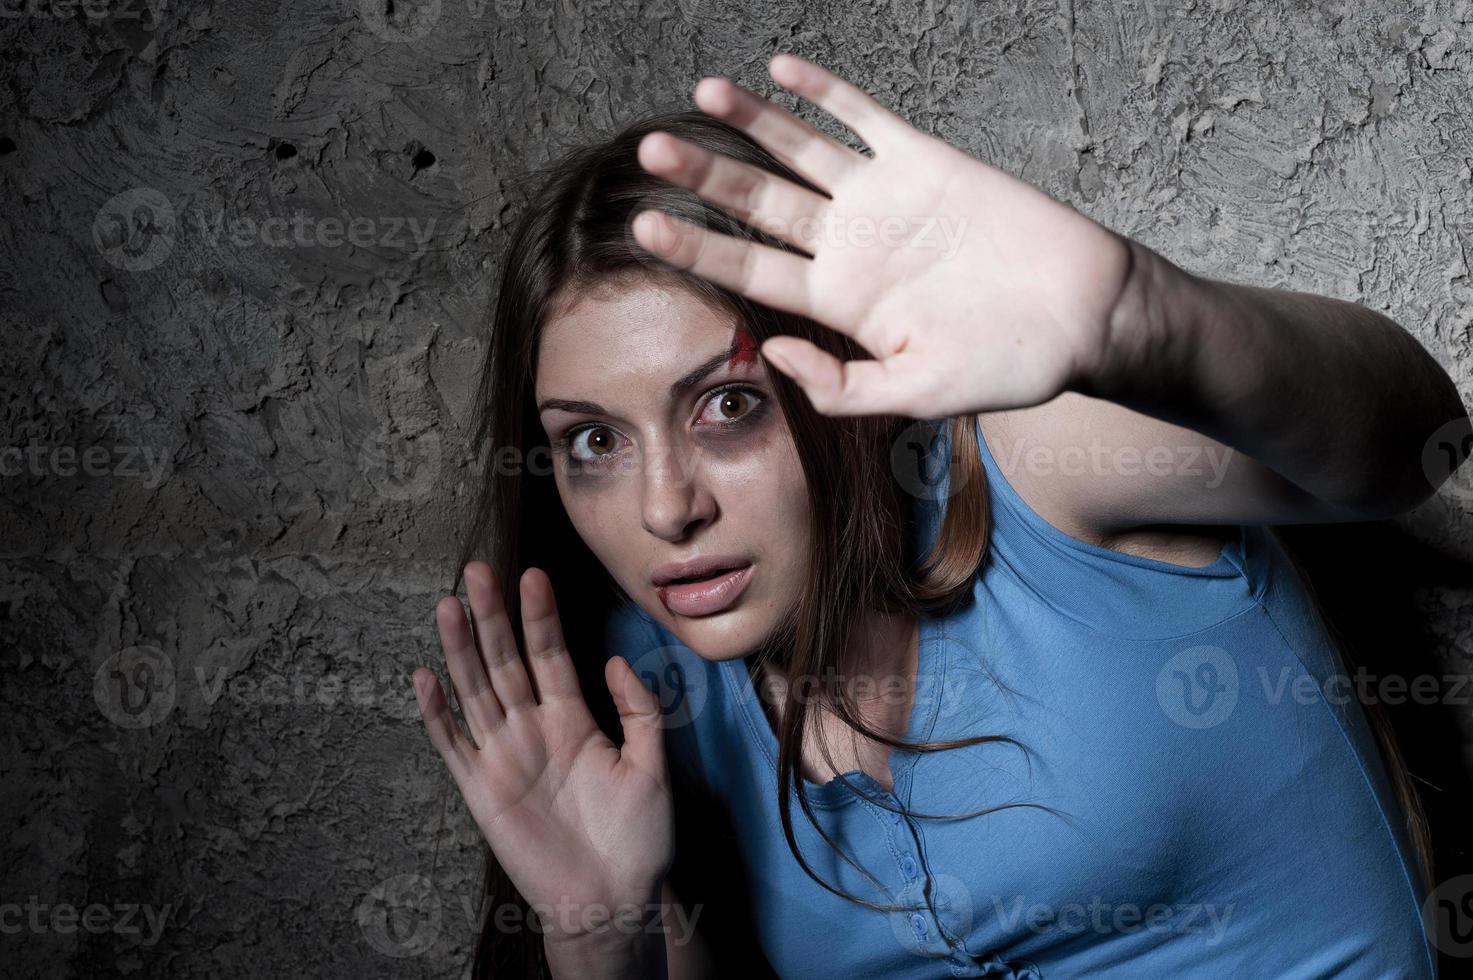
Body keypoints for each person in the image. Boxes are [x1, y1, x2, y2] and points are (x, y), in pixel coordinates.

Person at [412, 53, 1468, 979]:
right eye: (594, 441)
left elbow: (1415, 442)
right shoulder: (646, 684)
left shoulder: (1038, 466)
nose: (665, 507)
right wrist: (598, 938)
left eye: (730, 406)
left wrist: (1149, 315)